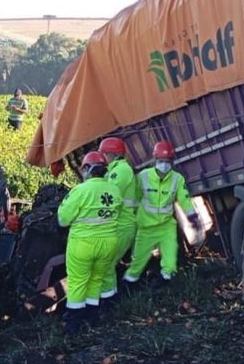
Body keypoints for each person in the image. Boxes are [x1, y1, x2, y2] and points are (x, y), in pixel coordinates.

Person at [57, 151, 122, 334]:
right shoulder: (114, 190)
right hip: (109, 243)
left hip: (83, 244)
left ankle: (73, 326)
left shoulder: (80, 190)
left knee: (78, 282)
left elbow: (63, 219)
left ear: (87, 169)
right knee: (96, 279)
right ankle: (92, 319)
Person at [121, 141, 198, 288]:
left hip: (166, 227)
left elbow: (184, 198)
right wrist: (129, 218)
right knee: (137, 263)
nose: (164, 165)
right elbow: (134, 199)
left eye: (167, 162)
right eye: (161, 161)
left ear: (172, 162)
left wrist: (192, 216)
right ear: (155, 160)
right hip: (146, 228)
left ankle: (162, 284)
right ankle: (128, 287)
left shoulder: (177, 179)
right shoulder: (143, 177)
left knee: (170, 263)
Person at [98, 137, 137, 306]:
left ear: (110, 154)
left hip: (123, 226)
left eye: (103, 154)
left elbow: (108, 194)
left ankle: (110, 302)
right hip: (118, 225)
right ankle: (109, 299)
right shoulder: (115, 170)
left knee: (106, 265)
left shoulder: (120, 171)